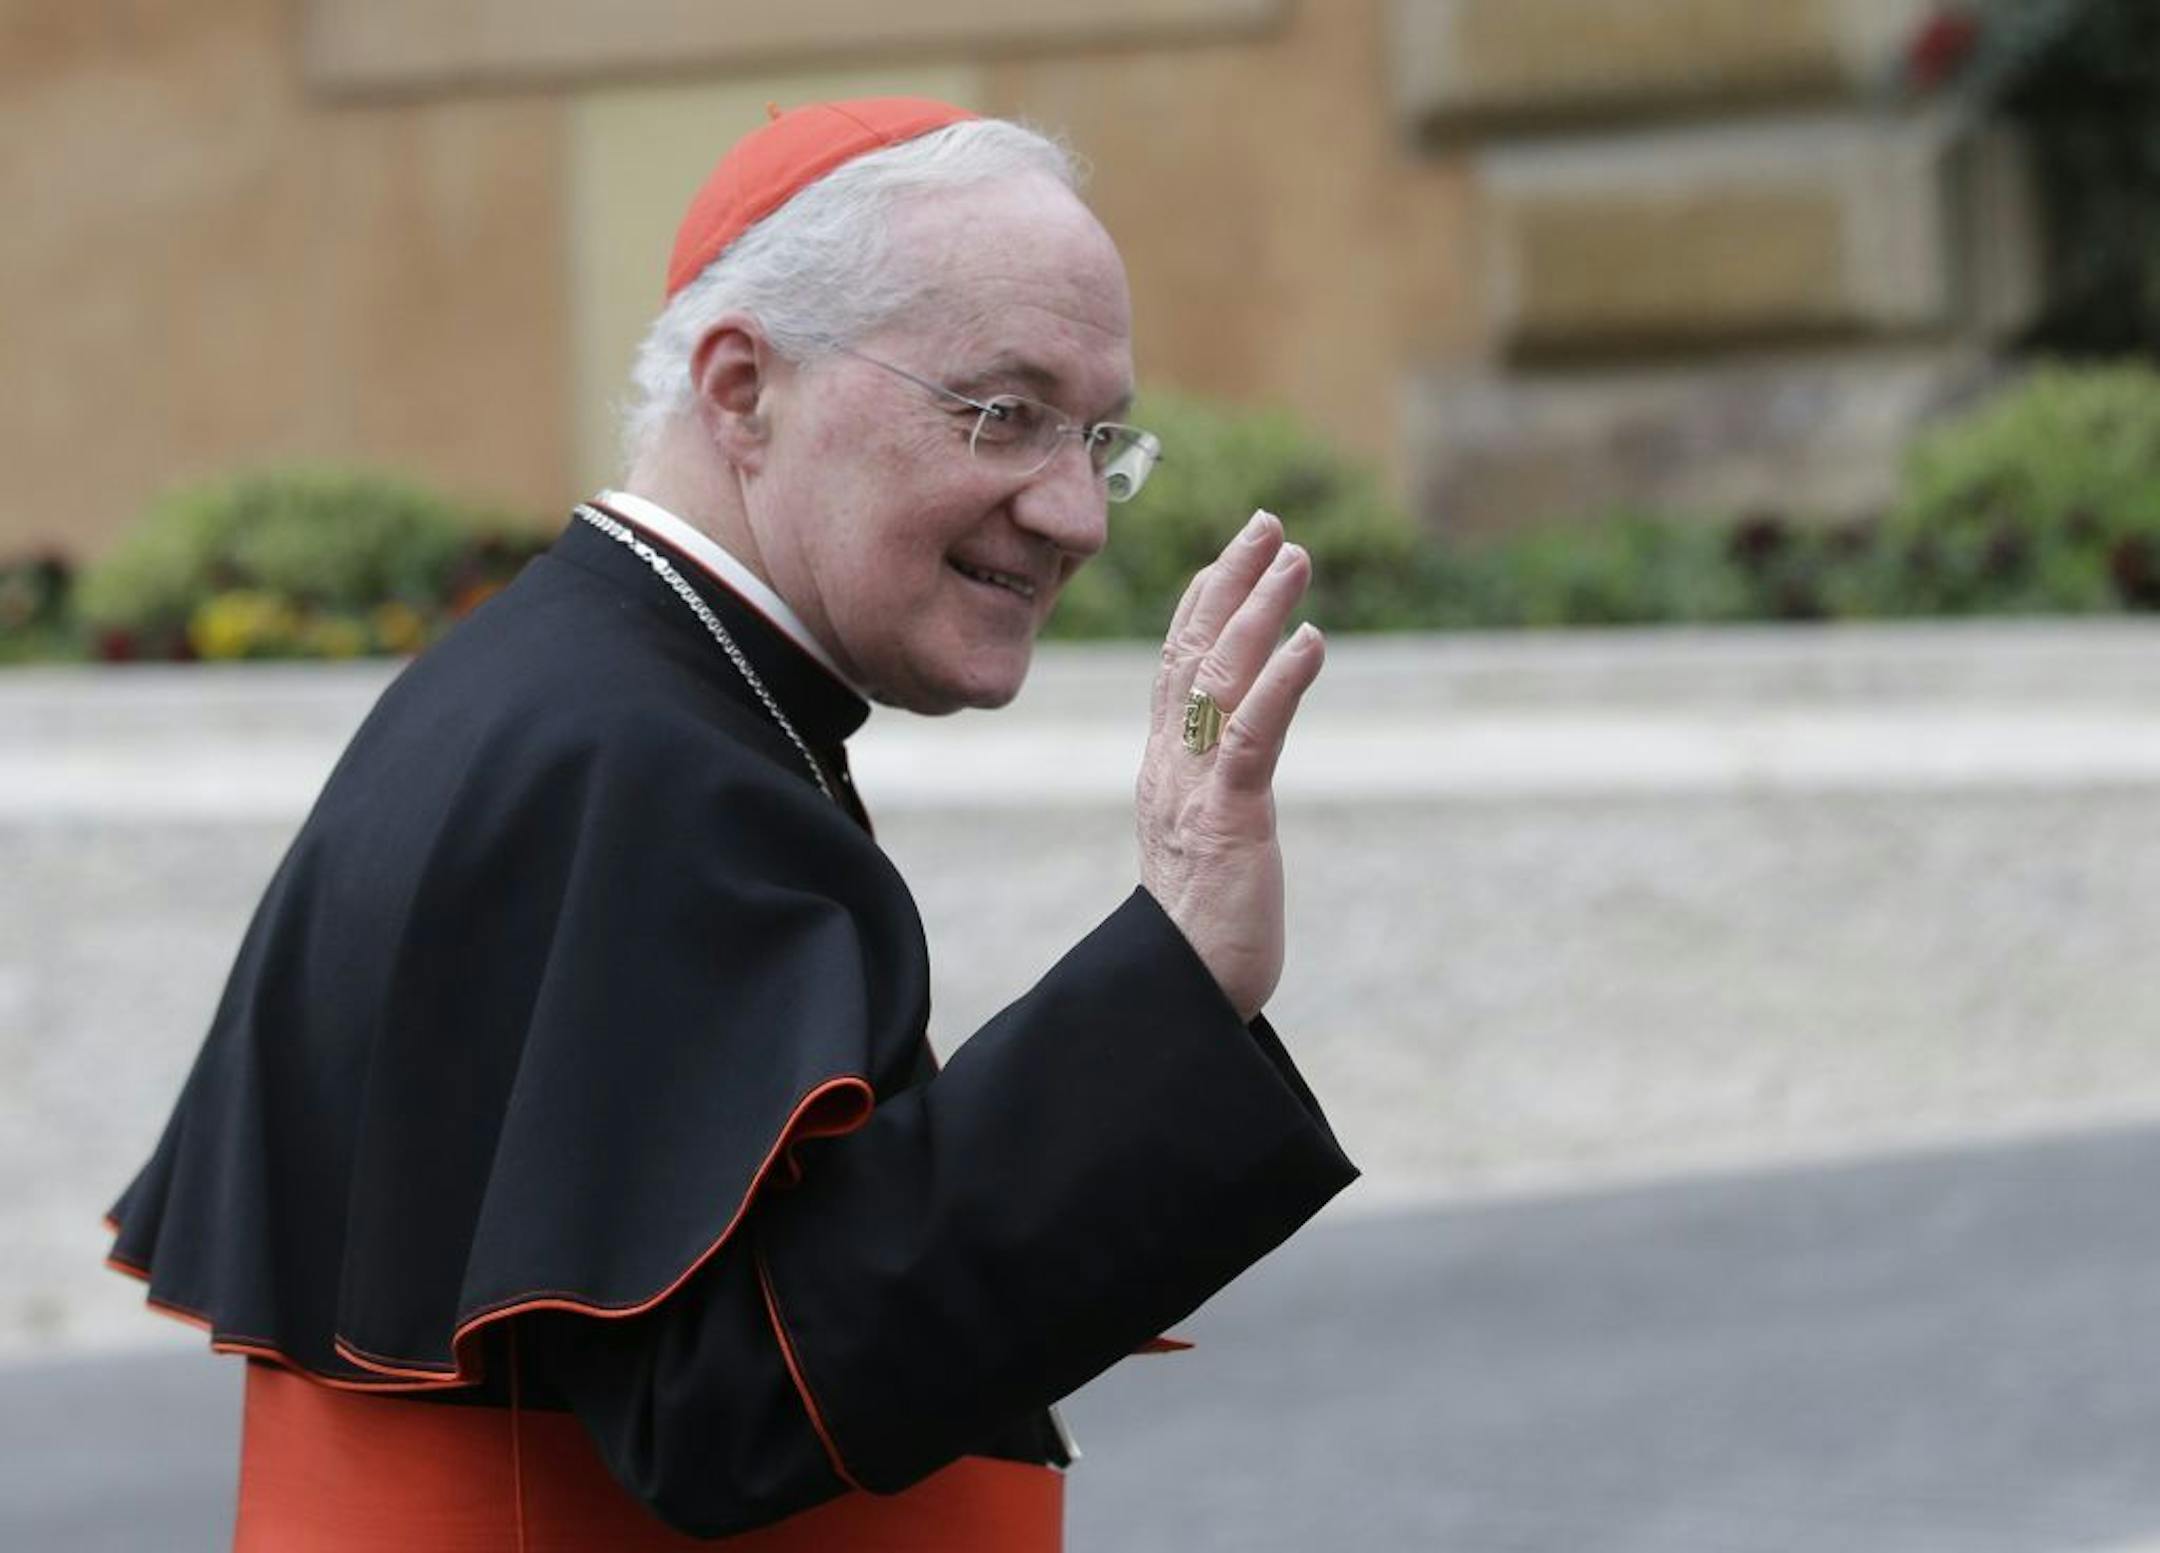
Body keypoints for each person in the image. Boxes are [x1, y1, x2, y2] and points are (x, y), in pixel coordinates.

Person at [104, 97, 1357, 1550]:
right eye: (1004, 415)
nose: (1075, 511)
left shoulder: (593, 695)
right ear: (743, 387)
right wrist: (1182, 970)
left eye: (1100, 439)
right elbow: (724, 1403)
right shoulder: (638, 766)